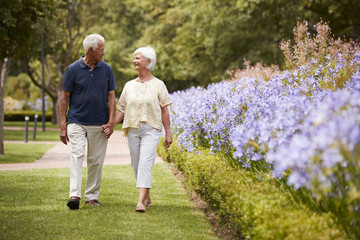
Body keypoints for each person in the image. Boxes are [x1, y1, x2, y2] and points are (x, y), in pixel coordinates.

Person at [103, 46, 172, 212]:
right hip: (132, 129)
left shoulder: (158, 85)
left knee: (145, 163)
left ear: (147, 62)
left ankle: (140, 202)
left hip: (151, 129)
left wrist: (168, 133)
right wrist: (111, 124)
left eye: (137, 58)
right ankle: (146, 195)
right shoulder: (129, 85)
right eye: (134, 58)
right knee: (135, 163)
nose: (134, 61)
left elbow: (164, 110)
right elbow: (121, 110)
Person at [59, 33, 117, 210]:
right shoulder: (73, 69)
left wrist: (111, 122)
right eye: (101, 50)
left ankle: (91, 197)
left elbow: (111, 97)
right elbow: (64, 98)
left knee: (95, 160)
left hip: (99, 122)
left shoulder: (107, 69)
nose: (103, 53)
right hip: (76, 120)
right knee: (77, 154)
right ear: (90, 50)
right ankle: (74, 195)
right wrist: (63, 124)